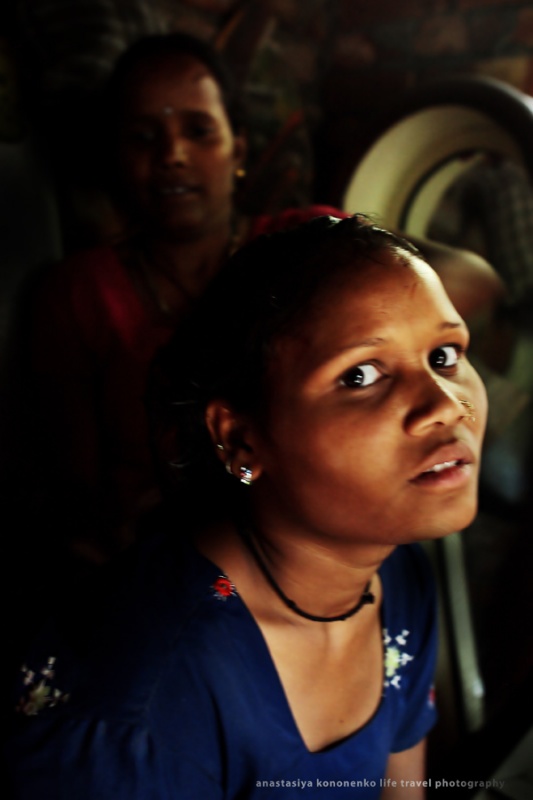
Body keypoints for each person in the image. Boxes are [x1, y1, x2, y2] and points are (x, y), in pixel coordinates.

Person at [6, 215, 488, 799]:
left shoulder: (398, 576)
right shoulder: (134, 712)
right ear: (240, 440)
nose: (445, 405)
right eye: (361, 376)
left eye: (444, 355)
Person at [8, 32, 501, 567]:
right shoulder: (78, 292)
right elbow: (77, 488)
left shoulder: (310, 248)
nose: (173, 155)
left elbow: (474, 278)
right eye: (144, 137)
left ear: (237, 149)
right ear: (115, 157)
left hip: (318, 545)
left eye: (199, 130)